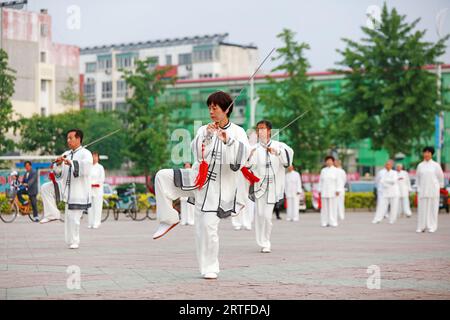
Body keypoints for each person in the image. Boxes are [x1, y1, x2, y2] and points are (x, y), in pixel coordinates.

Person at [152, 91, 250, 280]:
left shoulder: (238, 132)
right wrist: (206, 135)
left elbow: (241, 160)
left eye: (215, 108)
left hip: (218, 188)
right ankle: (169, 218)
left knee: (207, 227)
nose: (211, 111)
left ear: (226, 109)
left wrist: (227, 140)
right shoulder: (204, 129)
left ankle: (210, 266)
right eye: (210, 108)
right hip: (198, 179)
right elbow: (197, 153)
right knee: (162, 176)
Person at [245, 120, 294, 253]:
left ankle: (266, 242)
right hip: (259, 186)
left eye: (262, 129)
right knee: (260, 214)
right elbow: (248, 166)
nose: (260, 131)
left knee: (267, 216)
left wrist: (277, 152)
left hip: (273, 186)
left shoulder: (280, 146)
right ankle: (261, 241)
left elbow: (287, 162)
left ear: (269, 131)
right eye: (258, 129)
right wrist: (249, 156)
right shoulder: (254, 148)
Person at [40, 129, 93, 249]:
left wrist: (73, 163)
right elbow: (58, 173)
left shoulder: (86, 154)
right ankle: (52, 214)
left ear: (78, 138)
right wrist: (58, 164)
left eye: (71, 138)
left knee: (73, 218)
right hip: (64, 187)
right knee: (45, 188)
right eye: (67, 138)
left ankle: (74, 241)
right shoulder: (66, 153)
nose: (68, 140)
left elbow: (87, 168)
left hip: (78, 191)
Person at [416, 146, 444, 233]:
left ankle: (432, 226)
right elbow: (418, 178)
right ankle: (421, 227)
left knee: (433, 209)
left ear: (432, 154)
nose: (426, 154)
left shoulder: (436, 165)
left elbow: (441, 177)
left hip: (433, 190)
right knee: (422, 209)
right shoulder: (420, 165)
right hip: (423, 190)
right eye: (425, 152)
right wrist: (418, 188)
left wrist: (439, 187)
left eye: (428, 152)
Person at [372, 160, 399, 224]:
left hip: (394, 192)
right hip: (385, 192)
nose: (387, 166)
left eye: (389, 164)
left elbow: (393, 181)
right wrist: (386, 182)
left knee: (394, 207)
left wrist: (385, 181)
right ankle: (377, 219)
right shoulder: (383, 173)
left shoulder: (394, 173)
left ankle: (392, 220)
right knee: (381, 205)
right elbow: (380, 181)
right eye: (386, 164)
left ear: (391, 165)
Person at [318, 156, 342, 227]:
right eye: (327, 161)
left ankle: (333, 221)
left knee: (333, 207)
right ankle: (324, 222)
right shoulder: (323, 170)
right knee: (324, 208)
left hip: (333, 191)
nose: (328, 162)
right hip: (324, 191)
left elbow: (339, 181)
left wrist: (338, 190)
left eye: (330, 160)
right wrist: (319, 190)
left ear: (333, 161)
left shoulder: (336, 170)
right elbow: (320, 181)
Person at [88, 151, 105, 229]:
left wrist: (95, 183)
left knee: (97, 206)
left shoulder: (100, 167)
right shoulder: (89, 167)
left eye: (95, 156)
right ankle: (90, 222)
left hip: (98, 189)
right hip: (89, 189)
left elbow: (102, 179)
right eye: (93, 156)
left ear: (98, 158)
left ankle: (97, 222)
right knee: (90, 207)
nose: (94, 158)